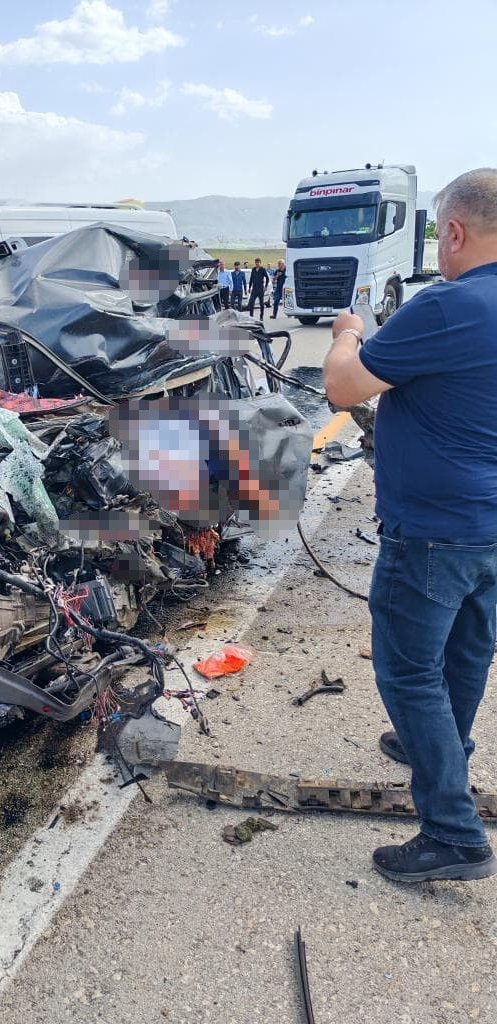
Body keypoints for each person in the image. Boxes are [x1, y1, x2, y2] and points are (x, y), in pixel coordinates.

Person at [323, 168, 497, 883]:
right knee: (466, 652)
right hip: (489, 525)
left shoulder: (449, 305)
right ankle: (443, 744)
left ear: (452, 232)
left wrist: (346, 332)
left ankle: (453, 834)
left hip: (434, 528)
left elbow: (344, 385)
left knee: (408, 671)